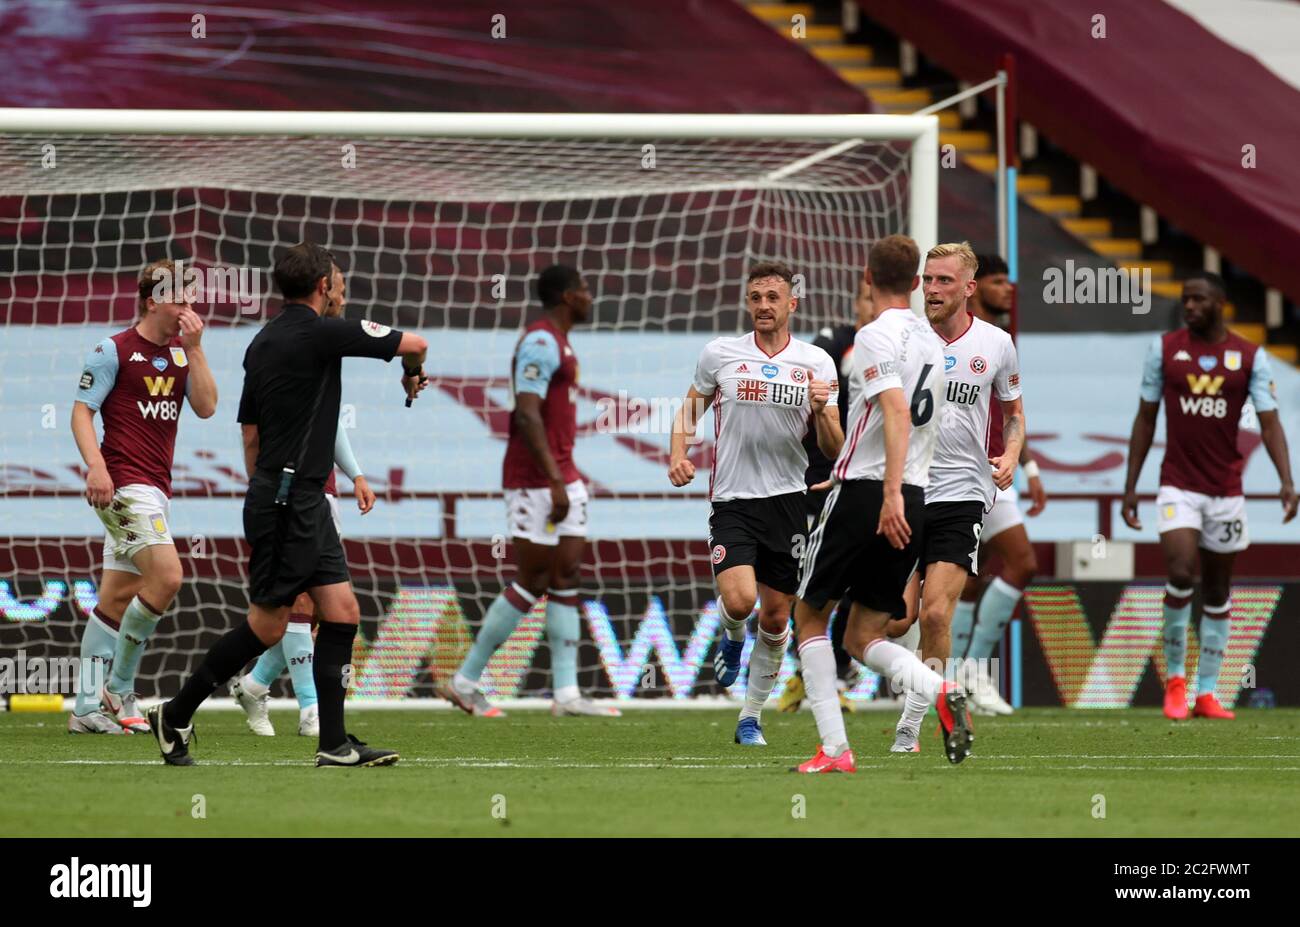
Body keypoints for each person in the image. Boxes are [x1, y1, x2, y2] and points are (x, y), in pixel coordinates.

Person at [146, 242, 428, 766]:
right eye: (339, 282)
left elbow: (249, 432)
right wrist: (410, 373)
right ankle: (177, 712)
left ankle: (335, 743)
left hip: (295, 497)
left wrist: (267, 489)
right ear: (323, 287)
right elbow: (416, 342)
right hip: (289, 499)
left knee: (342, 613)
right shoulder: (324, 331)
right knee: (268, 625)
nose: (343, 291)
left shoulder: (262, 341)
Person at [791, 234, 971, 773]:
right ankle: (938, 688)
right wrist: (892, 487)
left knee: (807, 617)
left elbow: (894, 412)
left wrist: (878, 488)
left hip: (875, 493)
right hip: (914, 495)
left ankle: (835, 749)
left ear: (867, 278)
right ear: (917, 284)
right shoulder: (935, 344)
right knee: (863, 634)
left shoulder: (871, 336)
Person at [668, 261, 842, 746]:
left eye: (773, 297)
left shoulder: (816, 363)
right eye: (755, 297)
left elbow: (833, 447)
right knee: (741, 601)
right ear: (748, 303)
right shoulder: (720, 355)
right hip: (733, 499)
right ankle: (729, 632)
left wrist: (821, 407)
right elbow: (687, 411)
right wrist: (678, 454)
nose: (763, 306)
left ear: (792, 303)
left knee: (776, 617)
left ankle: (750, 717)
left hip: (788, 501)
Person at [438, 265, 621, 718]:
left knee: (567, 575)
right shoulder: (540, 341)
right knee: (534, 578)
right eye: (582, 288)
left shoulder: (560, 341)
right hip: (535, 479)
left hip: (564, 474)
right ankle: (464, 680)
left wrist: (564, 476)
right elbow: (525, 413)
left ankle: (567, 695)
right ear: (565, 296)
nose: (588, 294)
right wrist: (554, 478)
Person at [1122, 272, 1295, 721]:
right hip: (1178, 484)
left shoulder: (1250, 357)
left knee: (1218, 589)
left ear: (1221, 303)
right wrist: (1129, 486)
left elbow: (1271, 422)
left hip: (1226, 492)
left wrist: (1286, 480)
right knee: (1180, 570)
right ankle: (1175, 683)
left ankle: (1207, 692)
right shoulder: (1163, 350)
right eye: (1185, 299)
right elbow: (1145, 418)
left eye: (1198, 299)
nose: (1190, 306)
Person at [68, 259, 217, 734]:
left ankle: (86, 708)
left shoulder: (180, 353)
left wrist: (195, 350)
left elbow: (208, 407)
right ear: (153, 300)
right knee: (168, 577)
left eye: (192, 299)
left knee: (113, 600)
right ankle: (122, 685)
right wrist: (96, 466)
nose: (187, 308)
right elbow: (80, 413)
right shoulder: (111, 350)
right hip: (124, 485)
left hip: (156, 488)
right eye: (179, 299)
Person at [890, 243, 1023, 754]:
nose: (932, 290)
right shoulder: (901, 340)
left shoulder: (996, 344)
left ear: (968, 288)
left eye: (944, 281)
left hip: (963, 493)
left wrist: (1011, 454)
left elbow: (1013, 412)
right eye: (927, 280)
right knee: (894, 619)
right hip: (903, 490)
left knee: (937, 615)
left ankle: (913, 725)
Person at [950, 253, 1047, 715]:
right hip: (955, 472)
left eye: (1010, 280)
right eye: (997, 280)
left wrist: (1027, 467)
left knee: (992, 571)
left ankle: (963, 674)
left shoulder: (1002, 341)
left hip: (996, 468)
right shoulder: (947, 335)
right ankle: (958, 676)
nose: (1008, 289)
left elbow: (1012, 413)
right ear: (974, 287)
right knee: (995, 570)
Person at [780, 275, 874, 714]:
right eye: (867, 298)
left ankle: (829, 675)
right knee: (806, 579)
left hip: (866, 477)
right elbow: (815, 382)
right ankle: (804, 676)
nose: (874, 306)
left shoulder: (899, 348)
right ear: (857, 303)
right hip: (818, 476)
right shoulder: (834, 343)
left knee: (852, 582)